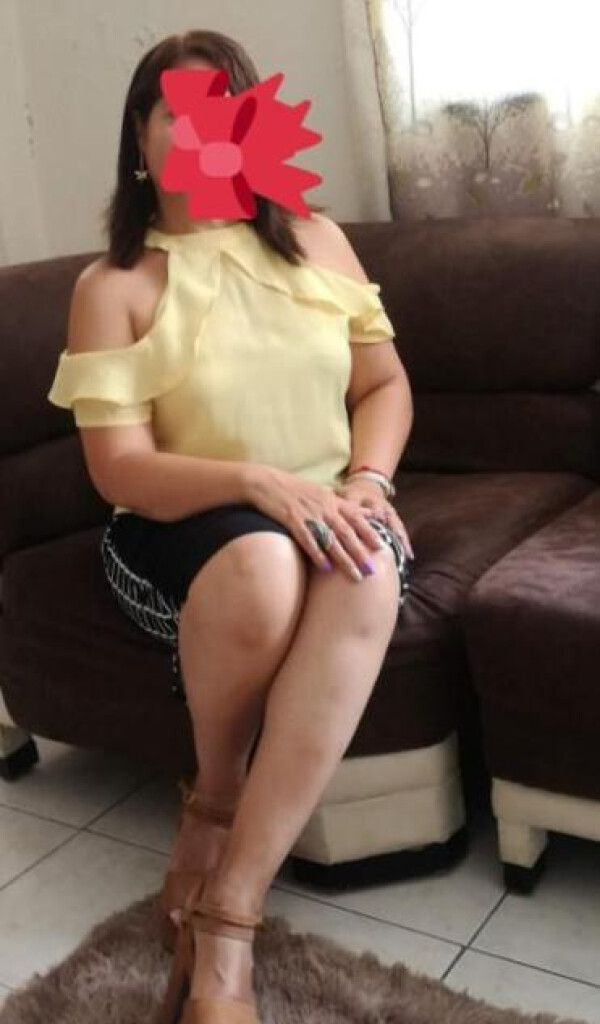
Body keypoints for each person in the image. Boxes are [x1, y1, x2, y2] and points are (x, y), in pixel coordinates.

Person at [47, 28, 415, 1024]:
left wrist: (369, 479)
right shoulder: (112, 287)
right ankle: (214, 795)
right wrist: (259, 481)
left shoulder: (319, 242)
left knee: (366, 563)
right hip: (176, 523)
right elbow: (120, 468)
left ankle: (229, 917)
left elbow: (383, 384)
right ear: (138, 138)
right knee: (261, 561)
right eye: (175, 111)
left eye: (221, 107)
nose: (199, 127)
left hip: (327, 507)